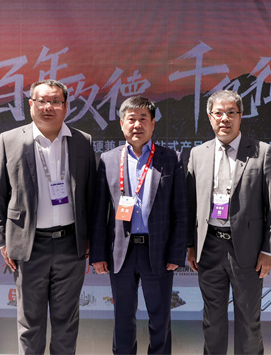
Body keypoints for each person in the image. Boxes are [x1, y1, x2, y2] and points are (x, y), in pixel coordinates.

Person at [0, 79, 96, 354]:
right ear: (31, 105)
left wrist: (91, 238)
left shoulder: (82, 141)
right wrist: (3, 241)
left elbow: (91, 195)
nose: (48, 107)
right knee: (30, 323)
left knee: (66, 322)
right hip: (28, 245)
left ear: (65, 106)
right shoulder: (10, 140)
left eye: (55, 101)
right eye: (42, 101)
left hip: (70, 244)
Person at [186, 89, 271, 355]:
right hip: (209, 248)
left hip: (248, 252)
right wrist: (191, 246)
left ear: (241, 117)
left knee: (249, 321)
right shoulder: (198, 154)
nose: (224, 119)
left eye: (231, 113)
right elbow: (190, 205)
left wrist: (269, 251)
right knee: (212, 321)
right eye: (218, 113)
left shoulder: (262, 152)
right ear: (209, 117)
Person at [90, 95, 188, 354]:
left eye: (143, 118)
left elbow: (180, 210)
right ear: (122, 124)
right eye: (131, 119)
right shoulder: (108, 159)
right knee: (123, 318)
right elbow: (99, 212)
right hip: (120, 252)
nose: (137, 124)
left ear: (153, 123)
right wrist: (98, 254)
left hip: (158, 251)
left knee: (160, 318)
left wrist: (176, 253)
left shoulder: (171, 158)